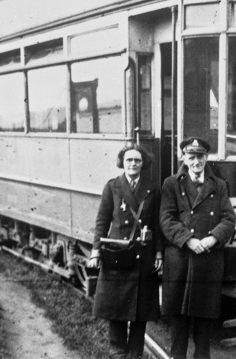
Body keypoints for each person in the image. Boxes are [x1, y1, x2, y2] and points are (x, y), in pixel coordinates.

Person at [160, 137, 236, 359]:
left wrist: (213, 238)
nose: (196, 162)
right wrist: (189, 240)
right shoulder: (171, 184)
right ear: (183, 157)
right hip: (180, 258)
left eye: (200, 157)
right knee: (178, 319)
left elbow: (229, 219)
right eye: (191, 157)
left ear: (206, 158)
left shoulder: (219, 185)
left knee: (204, 319)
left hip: (208, 259)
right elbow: (166, 219)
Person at [87, 143, 162, 359]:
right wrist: (95, 251)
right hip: (118, 255)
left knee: (141, 312)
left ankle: (135, 354)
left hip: (143, 256)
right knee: (115, 308)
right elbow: (102, 221)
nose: (133, 164)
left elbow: (157, 224)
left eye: (137, 160)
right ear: (123, 162)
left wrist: (158, 253)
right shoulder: (112, 187)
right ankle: (118, 352)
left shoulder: (153, 188)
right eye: (129, 160)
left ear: (143, 163)